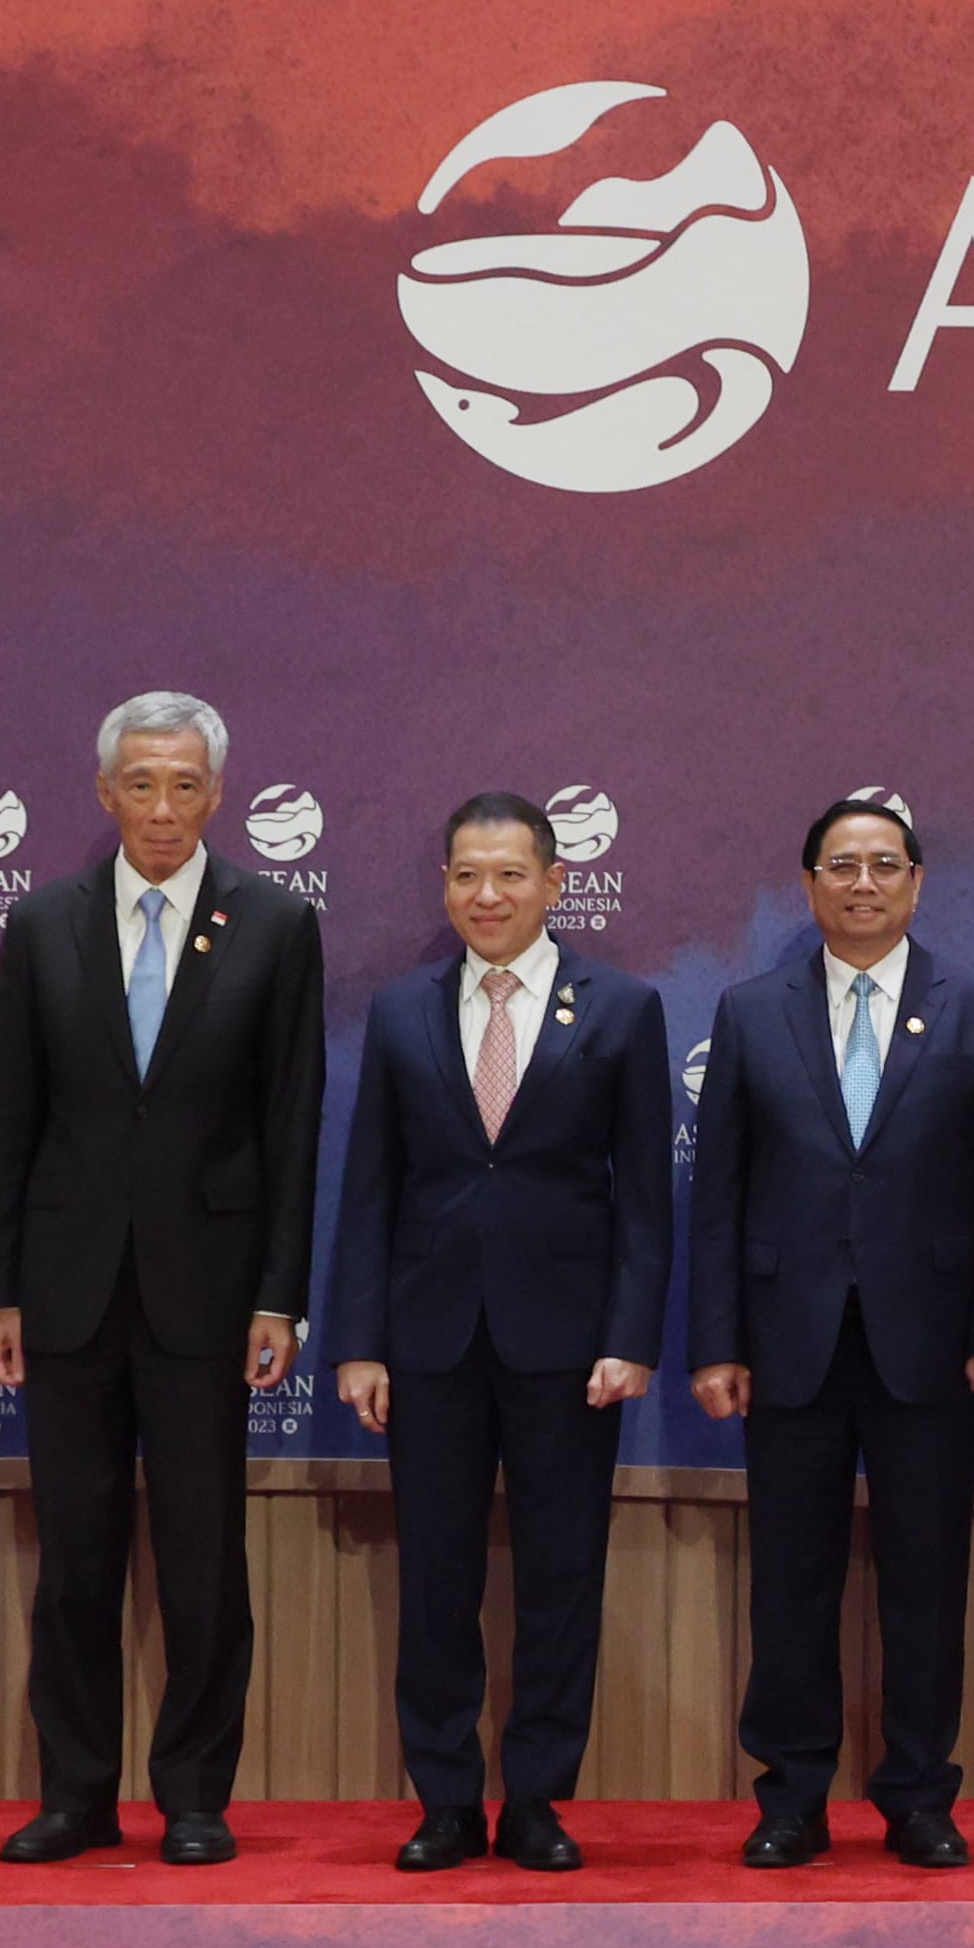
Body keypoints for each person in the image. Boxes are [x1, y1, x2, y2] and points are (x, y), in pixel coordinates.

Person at [0, 691, 325, 1867]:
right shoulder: (44, 923)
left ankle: (193, 1795)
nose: (162, 807)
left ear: (216, 794)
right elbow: (10, 1118)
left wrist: (278, 1292)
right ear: (104, 792)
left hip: (209, 1293)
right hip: (68, 1289)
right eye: (141, 783)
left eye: (184, 784)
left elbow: (291, 1122)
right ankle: (75, 1793)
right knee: (75, 1558)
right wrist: (1, 1287)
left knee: (203, 1557)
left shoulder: (275, 922)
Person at [328, 794, 671, 1875]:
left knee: (562, 1575)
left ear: (554, 883)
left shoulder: (621, 1008)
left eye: (511, 875)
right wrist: (359, 1340)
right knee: (437, 1578)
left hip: (569, 1346)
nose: (488, 895)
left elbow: (645, 1195)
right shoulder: (402, 1010)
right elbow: (371, 1185)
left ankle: (535, 1800)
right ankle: (444, 1801)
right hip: (428, 1340)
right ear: (444, 885)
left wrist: (631, 1334)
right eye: (468, 875)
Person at [691, 798, 974, 1870]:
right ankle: (791, 1796)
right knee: (790, 1580)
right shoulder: (751, 1011)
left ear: (917, 882)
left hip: (932, 1340)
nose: (863, 883)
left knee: (925, 1578)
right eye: (841, 865)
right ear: (808, 886)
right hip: (786, 1340)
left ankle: (920, 1794)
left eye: (885, 864)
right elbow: (719, 1193)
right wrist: (716, 1340)